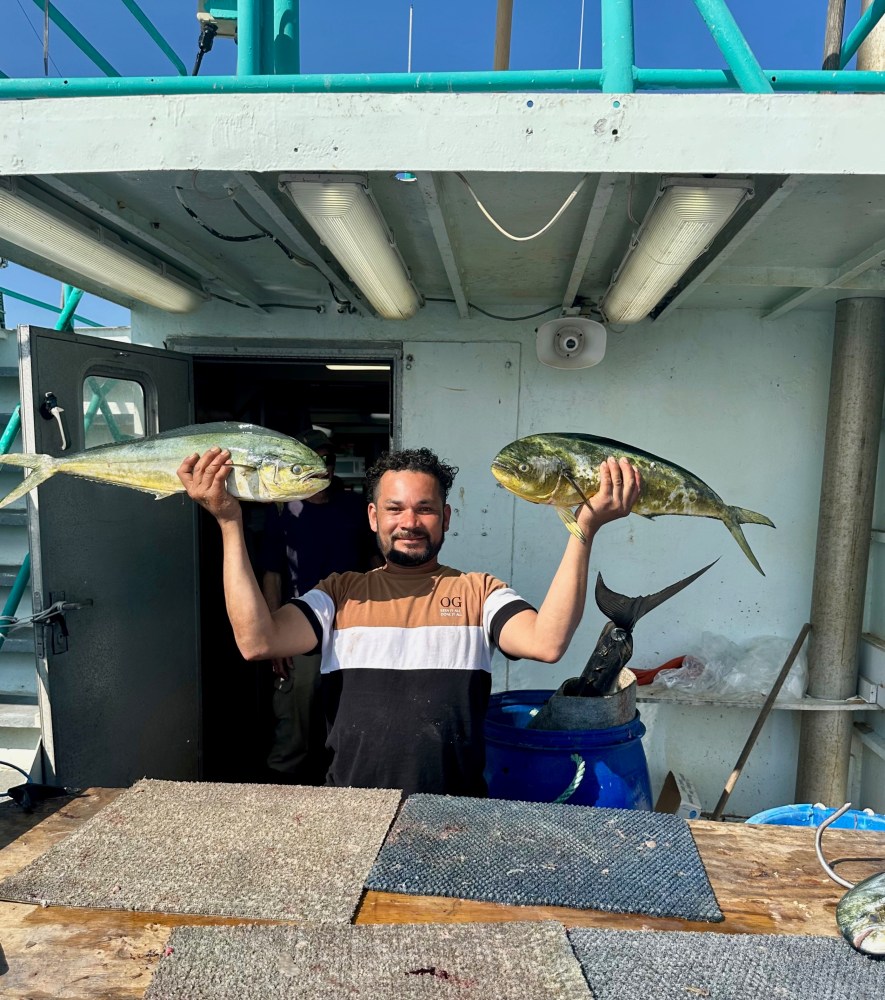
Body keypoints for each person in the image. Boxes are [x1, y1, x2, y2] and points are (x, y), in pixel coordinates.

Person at [177, 445, 640, 796]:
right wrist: (229, 523)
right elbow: (258, 640)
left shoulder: (479, 592)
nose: (410, 521)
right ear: (374, 517)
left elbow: (548, 641)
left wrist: (584, 528)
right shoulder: (339, 593)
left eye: (425, 509)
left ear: (446, 518)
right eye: (395, 509)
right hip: (351, 809)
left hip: (454, 812)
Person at [260, 429, 379, 785]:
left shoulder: (356, 508)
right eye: (313, 459)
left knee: (349, 714)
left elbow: (375, 563)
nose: (322, 466)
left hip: (351, 629)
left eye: (327, 459)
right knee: (295, 722)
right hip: (299, 629)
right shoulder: (282, 509)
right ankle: (283, 795)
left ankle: (340, 789)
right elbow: (273, 575)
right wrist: (273, 637)